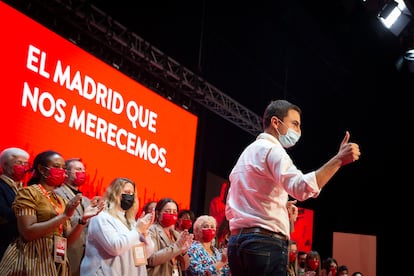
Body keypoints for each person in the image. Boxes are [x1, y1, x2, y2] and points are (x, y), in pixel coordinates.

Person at [225, 99, 361, 276]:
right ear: (275, 122)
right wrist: (339, 160)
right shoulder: (273, 150)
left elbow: (240, 199)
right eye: (295, 124)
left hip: (237, 245)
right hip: (263, 244)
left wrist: (280, 207)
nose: (298, 131)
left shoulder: (247, 154)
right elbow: (301, 187)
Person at [0, 150, 104, 275]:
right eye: (56, 166)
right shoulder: (28, 193)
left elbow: (67, 241)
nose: (61, 171)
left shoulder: (61, 200)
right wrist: (64, 216)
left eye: (63, 168)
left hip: (55, 261)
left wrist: (83, 220)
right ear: (42, 169)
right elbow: (27, 232)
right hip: (30, 259)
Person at [81, 177, 154, 275]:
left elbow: (146, 255)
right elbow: (115, 247)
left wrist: (145, 234)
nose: (130, 197)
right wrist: (137, 231)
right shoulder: (101, 217)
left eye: (132, 194)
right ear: (114, 193)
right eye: (127, 192)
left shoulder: (132, 223)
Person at [55, 157, 101, 276]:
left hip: (85, 256)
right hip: (66, 250)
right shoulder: (57, 193)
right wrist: (83, 219)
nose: (82, 172)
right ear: (66, 172)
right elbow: (62, 221)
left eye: (83, 170)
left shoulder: (86, 200)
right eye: (78, 169)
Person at [147, 197, 194, 276]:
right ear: (158, 213)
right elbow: (151, 259)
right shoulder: (151, 230)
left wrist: (183, 252)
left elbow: (184, 267)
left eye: (174, 212)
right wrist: (177, 246)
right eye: (167, 211)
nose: (171, 214)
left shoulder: (176, 235)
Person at [0, 147, 30, 260]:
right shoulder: (1, 186)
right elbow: (4, 212)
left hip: (21, 248)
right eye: (19, 163)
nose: (24, 167)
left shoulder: (24, 189)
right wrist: (29, 215)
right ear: (5, 165)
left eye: (25, 164)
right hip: (4, 244)